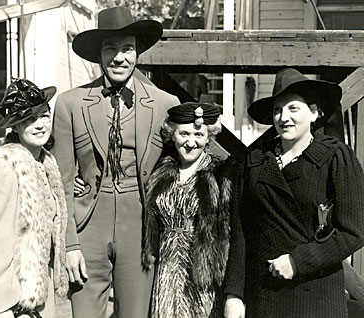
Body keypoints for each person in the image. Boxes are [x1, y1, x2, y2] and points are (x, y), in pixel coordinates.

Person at [52, 6, 180, 318]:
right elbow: (62, 183)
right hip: (87, 228)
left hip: (139, 229)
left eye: (127, 48)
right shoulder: (71, 103)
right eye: (111, 48)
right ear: (99, 53)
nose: (119, 57)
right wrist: (69, 247)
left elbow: (183, 169)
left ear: (137, 53)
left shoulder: (165, 105)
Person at [239, 68, 364, 317]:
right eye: (277, 109)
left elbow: (354, 230)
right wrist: (234, 294)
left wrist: (299, 261)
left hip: (316, 297)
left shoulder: (335, 156)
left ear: (315, 113)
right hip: (263, 297)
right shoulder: (256, 161)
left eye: (293, 108)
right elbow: (241, 231)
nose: (283, 117)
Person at [0, 78, 68, 318]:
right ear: (16, 127)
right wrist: (3, 309)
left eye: (43, 116)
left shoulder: (44, 162)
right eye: (28, 120)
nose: (40, 125)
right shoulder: (3, 165)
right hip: (14, 300)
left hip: (39, 291)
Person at [141, 102, 245, 318]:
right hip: (166, 268)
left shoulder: (221, 175)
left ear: (209, 137)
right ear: (173, 135)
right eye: (184, 134)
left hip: (202, 274)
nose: (190, 142)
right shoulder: (160, 171)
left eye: (198, 135)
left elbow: (231, 231)